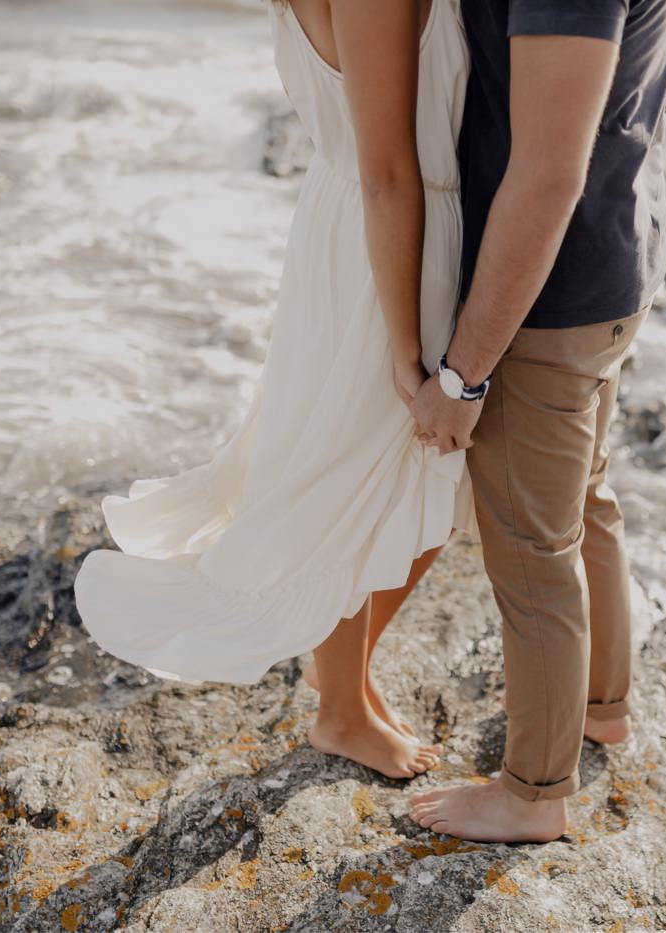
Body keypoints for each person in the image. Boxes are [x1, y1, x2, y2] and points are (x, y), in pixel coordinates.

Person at [72, 0, 475, 781]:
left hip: (367, 226)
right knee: (364, 483)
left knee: (398, 477)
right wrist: (401, 347)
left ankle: (340, 672)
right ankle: (341, 714)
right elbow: (389, 171)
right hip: (390, 244)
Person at [407, 0, 666, 842]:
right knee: (586, 498)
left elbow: (546, 178)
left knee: (533, 546)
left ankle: (534, 792)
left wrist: (462, 376)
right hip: (617, 249)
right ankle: (601, 707)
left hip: (552, 290)